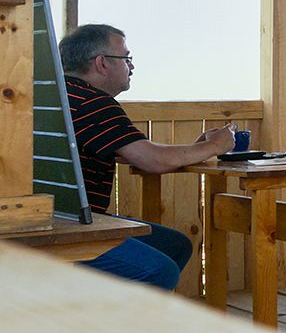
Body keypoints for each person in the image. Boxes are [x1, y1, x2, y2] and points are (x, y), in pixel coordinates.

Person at [59, 24, 235, 290]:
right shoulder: (93, 103)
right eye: (126, 58)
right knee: (159, 271)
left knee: (174, 245)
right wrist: (216, 145)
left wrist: (194, 149)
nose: (131, 66)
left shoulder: (61, 94)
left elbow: (132, 151)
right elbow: (152, 159)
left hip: (52, 219)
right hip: (70, 229)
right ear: (102, 63)